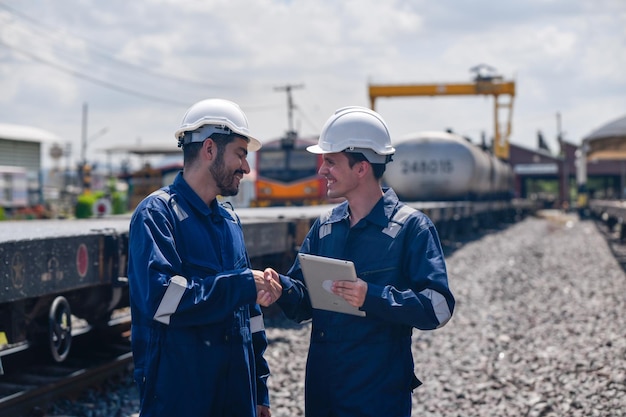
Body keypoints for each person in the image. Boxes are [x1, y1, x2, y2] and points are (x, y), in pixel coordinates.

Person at [270, 106, 455, 417]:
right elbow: (303, 304)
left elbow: (438, 308)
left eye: (331, 161)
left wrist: (372, 296)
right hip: (324, 395)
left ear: (361, 168)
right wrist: (281, 287)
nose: (322, 170)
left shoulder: (412, 228)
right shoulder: (325, 226)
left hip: (378, 399)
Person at [127, 98, 281, 417]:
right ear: (210, 149)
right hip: (180, 396)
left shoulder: (228, 220)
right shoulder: (157, 215)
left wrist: (260, 387)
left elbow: (250, 316)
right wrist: (239, 284)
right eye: (240, 154)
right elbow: (162, 303)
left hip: (237, 394)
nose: (247, 167)